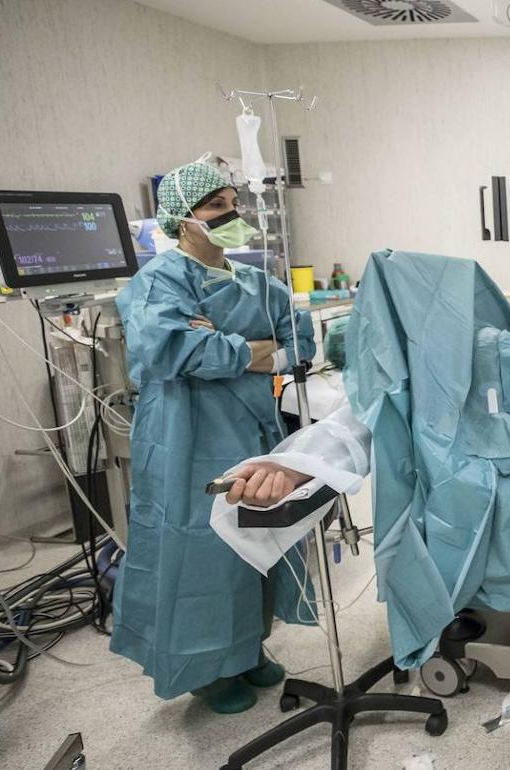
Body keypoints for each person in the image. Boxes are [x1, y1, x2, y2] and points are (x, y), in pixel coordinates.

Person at [109, 157, 317, 714]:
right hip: (187, 433)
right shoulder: (157, 282)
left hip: (255, 428)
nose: (232, 214)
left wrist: (228, 347)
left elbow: (301, 346)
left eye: (233, 203)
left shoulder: (258, 281)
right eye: (216, 206)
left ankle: (247, 647)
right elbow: (173, 349)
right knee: (199, 546)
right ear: (182, 220)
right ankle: (205, 668)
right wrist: (251, 349)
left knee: (257, 538)